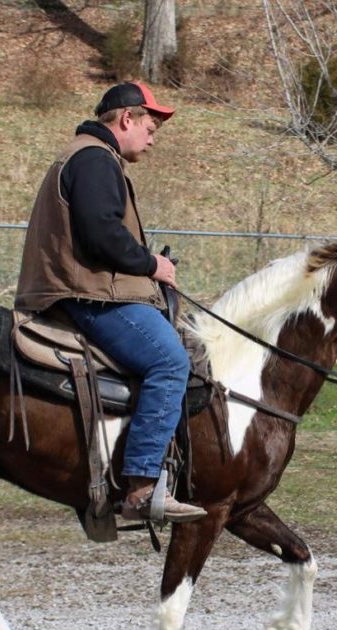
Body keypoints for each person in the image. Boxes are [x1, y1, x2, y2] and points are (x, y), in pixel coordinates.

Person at [15, 81, 206, 524]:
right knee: (170, 361)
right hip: (88, 294)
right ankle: (140, 486)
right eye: (151, 126)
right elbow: (102, 234)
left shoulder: (92, 157)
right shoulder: (95, 160)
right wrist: (151, 264)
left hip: (87, 288)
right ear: (127, 119)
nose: (154, 138)